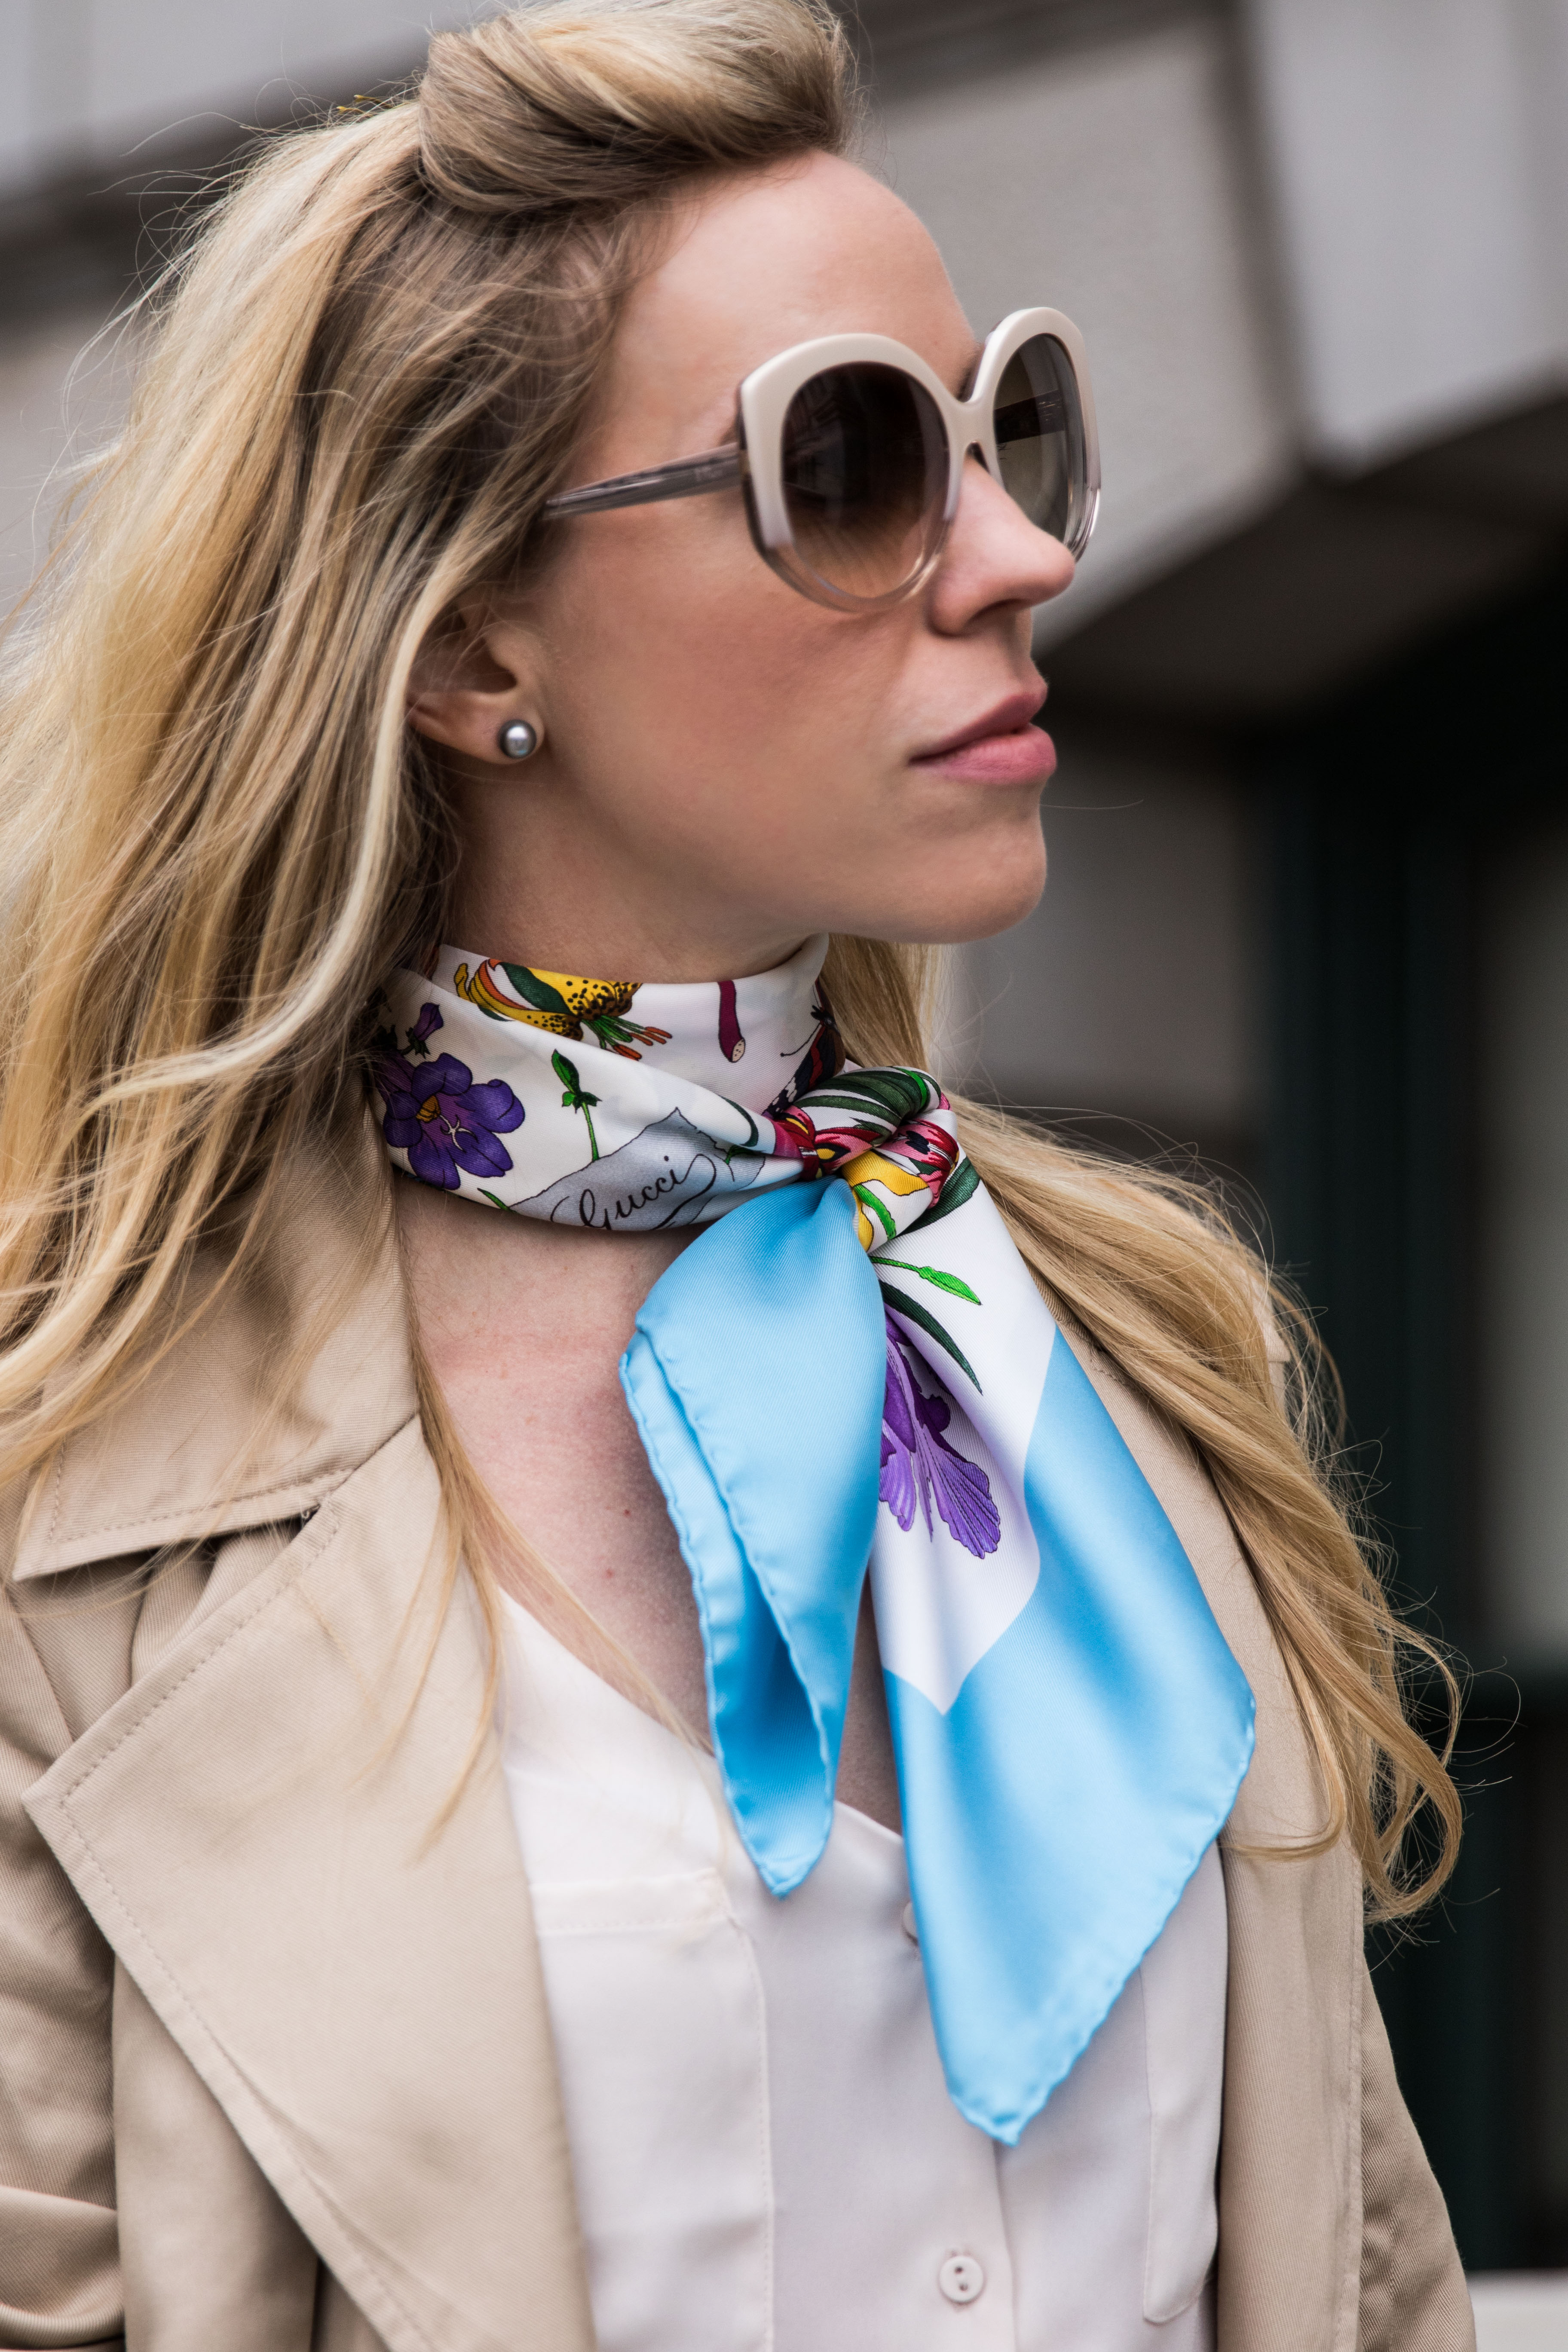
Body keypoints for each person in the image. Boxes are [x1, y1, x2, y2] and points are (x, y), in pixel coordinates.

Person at [0, 3, 1473, 2347]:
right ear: (480, 637)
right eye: (857, 465)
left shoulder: (1118, 1369)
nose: (1010, 555)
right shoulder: (67, 1534)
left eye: (1015, 433)